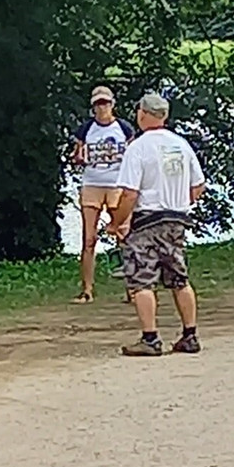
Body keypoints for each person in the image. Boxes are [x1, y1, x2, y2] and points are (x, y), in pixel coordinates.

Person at [108, 93, 206, 356]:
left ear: (143, 114)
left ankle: (150, 338)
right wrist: (181, 201)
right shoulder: (181, 145)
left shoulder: (138, 148)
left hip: (147, 220)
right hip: (176, 219)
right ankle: (190, 333)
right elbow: (198, 186)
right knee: (179, 278)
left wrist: (117, 222)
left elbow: (129, 193)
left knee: (141, 280)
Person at [71, 85, 134, 304]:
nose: (102, 108)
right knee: (89, 239)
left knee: (123, 235)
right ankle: (87, 289)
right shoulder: (86, 129)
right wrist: (78, 157)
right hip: (92, 184)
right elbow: (77, 154)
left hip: (117, 185)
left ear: (112, 104)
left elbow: (134, 156)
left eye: (105, 103)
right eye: (98, 104)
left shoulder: (124, 128)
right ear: (93, 107)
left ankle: (132, 289)